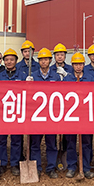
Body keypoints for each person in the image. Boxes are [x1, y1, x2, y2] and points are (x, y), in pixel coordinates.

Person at [30, 48, 61, 178]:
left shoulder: (55, 76)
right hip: (36, 116)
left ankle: (51, 168)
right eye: (41, 59)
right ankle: (36, 167)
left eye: (46, 59)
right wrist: (27, 85)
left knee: (51, 143)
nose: (43, 62)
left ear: (50, 60)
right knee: (35, 144)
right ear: (38, 61)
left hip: (50, 115)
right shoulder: (33, 76)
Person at [0, 48, 27, 175]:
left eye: (12, 59)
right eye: (7, 60)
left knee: (16, 140)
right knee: (1, 140)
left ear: (16, 61)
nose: (9, 62)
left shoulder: (23, 76)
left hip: (17, 112)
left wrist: (30, 84)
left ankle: (15, 164)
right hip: (2, 113)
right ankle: (2, 163)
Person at [63, 52, 94, 179]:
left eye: (80, 64)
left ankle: (85, 167)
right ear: (72, 65)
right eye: (76, 64)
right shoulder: (67, 79)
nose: (78, 67)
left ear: (83, 65)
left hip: (85, 115)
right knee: (71, 142)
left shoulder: (90, 78)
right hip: (71, 116)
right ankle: (71, 167)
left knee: (86, 142)